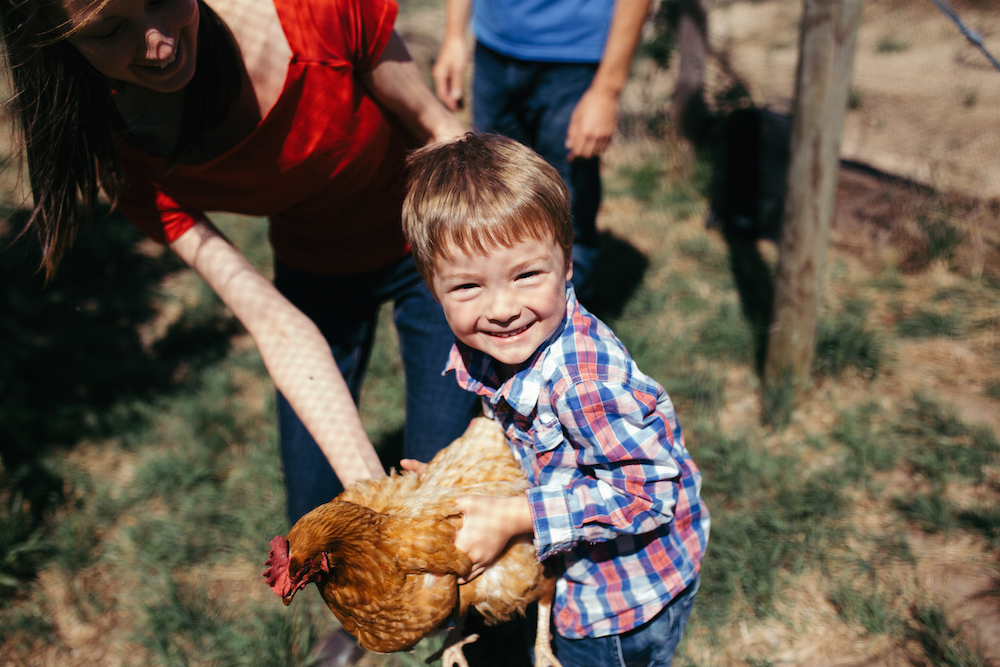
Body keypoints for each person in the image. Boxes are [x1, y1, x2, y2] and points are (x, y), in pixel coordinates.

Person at [0, 0, 481, 526]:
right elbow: (274, 324)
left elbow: (442, 131)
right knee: (319, 522)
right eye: (111, 30)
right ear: (54, 40)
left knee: (446, 504)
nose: (159, 43)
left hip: (432, 257)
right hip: (313, 269)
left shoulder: (317, 14)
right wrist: (377, 501)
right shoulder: (124, 154)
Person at [400, 133, 710, 667]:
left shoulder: (582, 383)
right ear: (433, 289)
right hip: (575, 576)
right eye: (468, 287)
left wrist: (517, 516)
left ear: (567, 264)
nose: (500, 308)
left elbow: (648, 493)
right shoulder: (499, 348)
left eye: (526, 275)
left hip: (617, 601)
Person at [431, 0, 652, 304]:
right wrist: (454, 36)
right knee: (490, 200)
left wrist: (606, 90)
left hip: (573, 59)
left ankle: (573, 337)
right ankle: (501, 330)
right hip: (491, 49)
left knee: (569, 211)